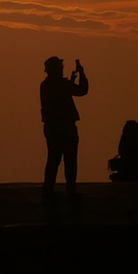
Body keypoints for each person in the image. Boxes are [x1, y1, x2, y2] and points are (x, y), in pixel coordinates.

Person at [40, 56, 90, 197]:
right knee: (69, 160)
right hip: (65, 127)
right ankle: (70, 190)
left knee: (54, 159)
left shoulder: (46, 85)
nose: (62, 70)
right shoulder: (59, 85)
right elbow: (82, 90)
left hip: (52, 127)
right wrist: (82, 74)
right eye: (60, 68)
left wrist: (71, 81)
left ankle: (49, 189)